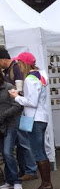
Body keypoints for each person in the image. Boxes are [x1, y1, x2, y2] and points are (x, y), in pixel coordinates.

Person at [8, 52, 53, 189]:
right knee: (40, 151)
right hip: (41, 117)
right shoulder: (40, 76)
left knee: (38, 151)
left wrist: (16, 97)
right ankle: (46, 183)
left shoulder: (29, 79)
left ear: (24, 63)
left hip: (34, 118)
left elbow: (31, 102)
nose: (17, 66)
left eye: (19, 63)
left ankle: (46, 184)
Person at [0, 46, 38, 181]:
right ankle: (25, 169)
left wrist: (13, 94)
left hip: (19, 111)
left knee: (23, 142)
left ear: (3, 59)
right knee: (20, 143)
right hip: (17, 111)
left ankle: (31, 169)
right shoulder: (8, 70)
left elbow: (21, 91)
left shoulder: (15, 69)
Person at [0, 71, 24, 189]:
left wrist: (3, 115)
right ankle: (9, 180)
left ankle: (16, 180)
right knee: (5, 155)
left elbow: (17, 106)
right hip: (1, 125)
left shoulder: (9, 87)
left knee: (8, 152)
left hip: (10, 124)